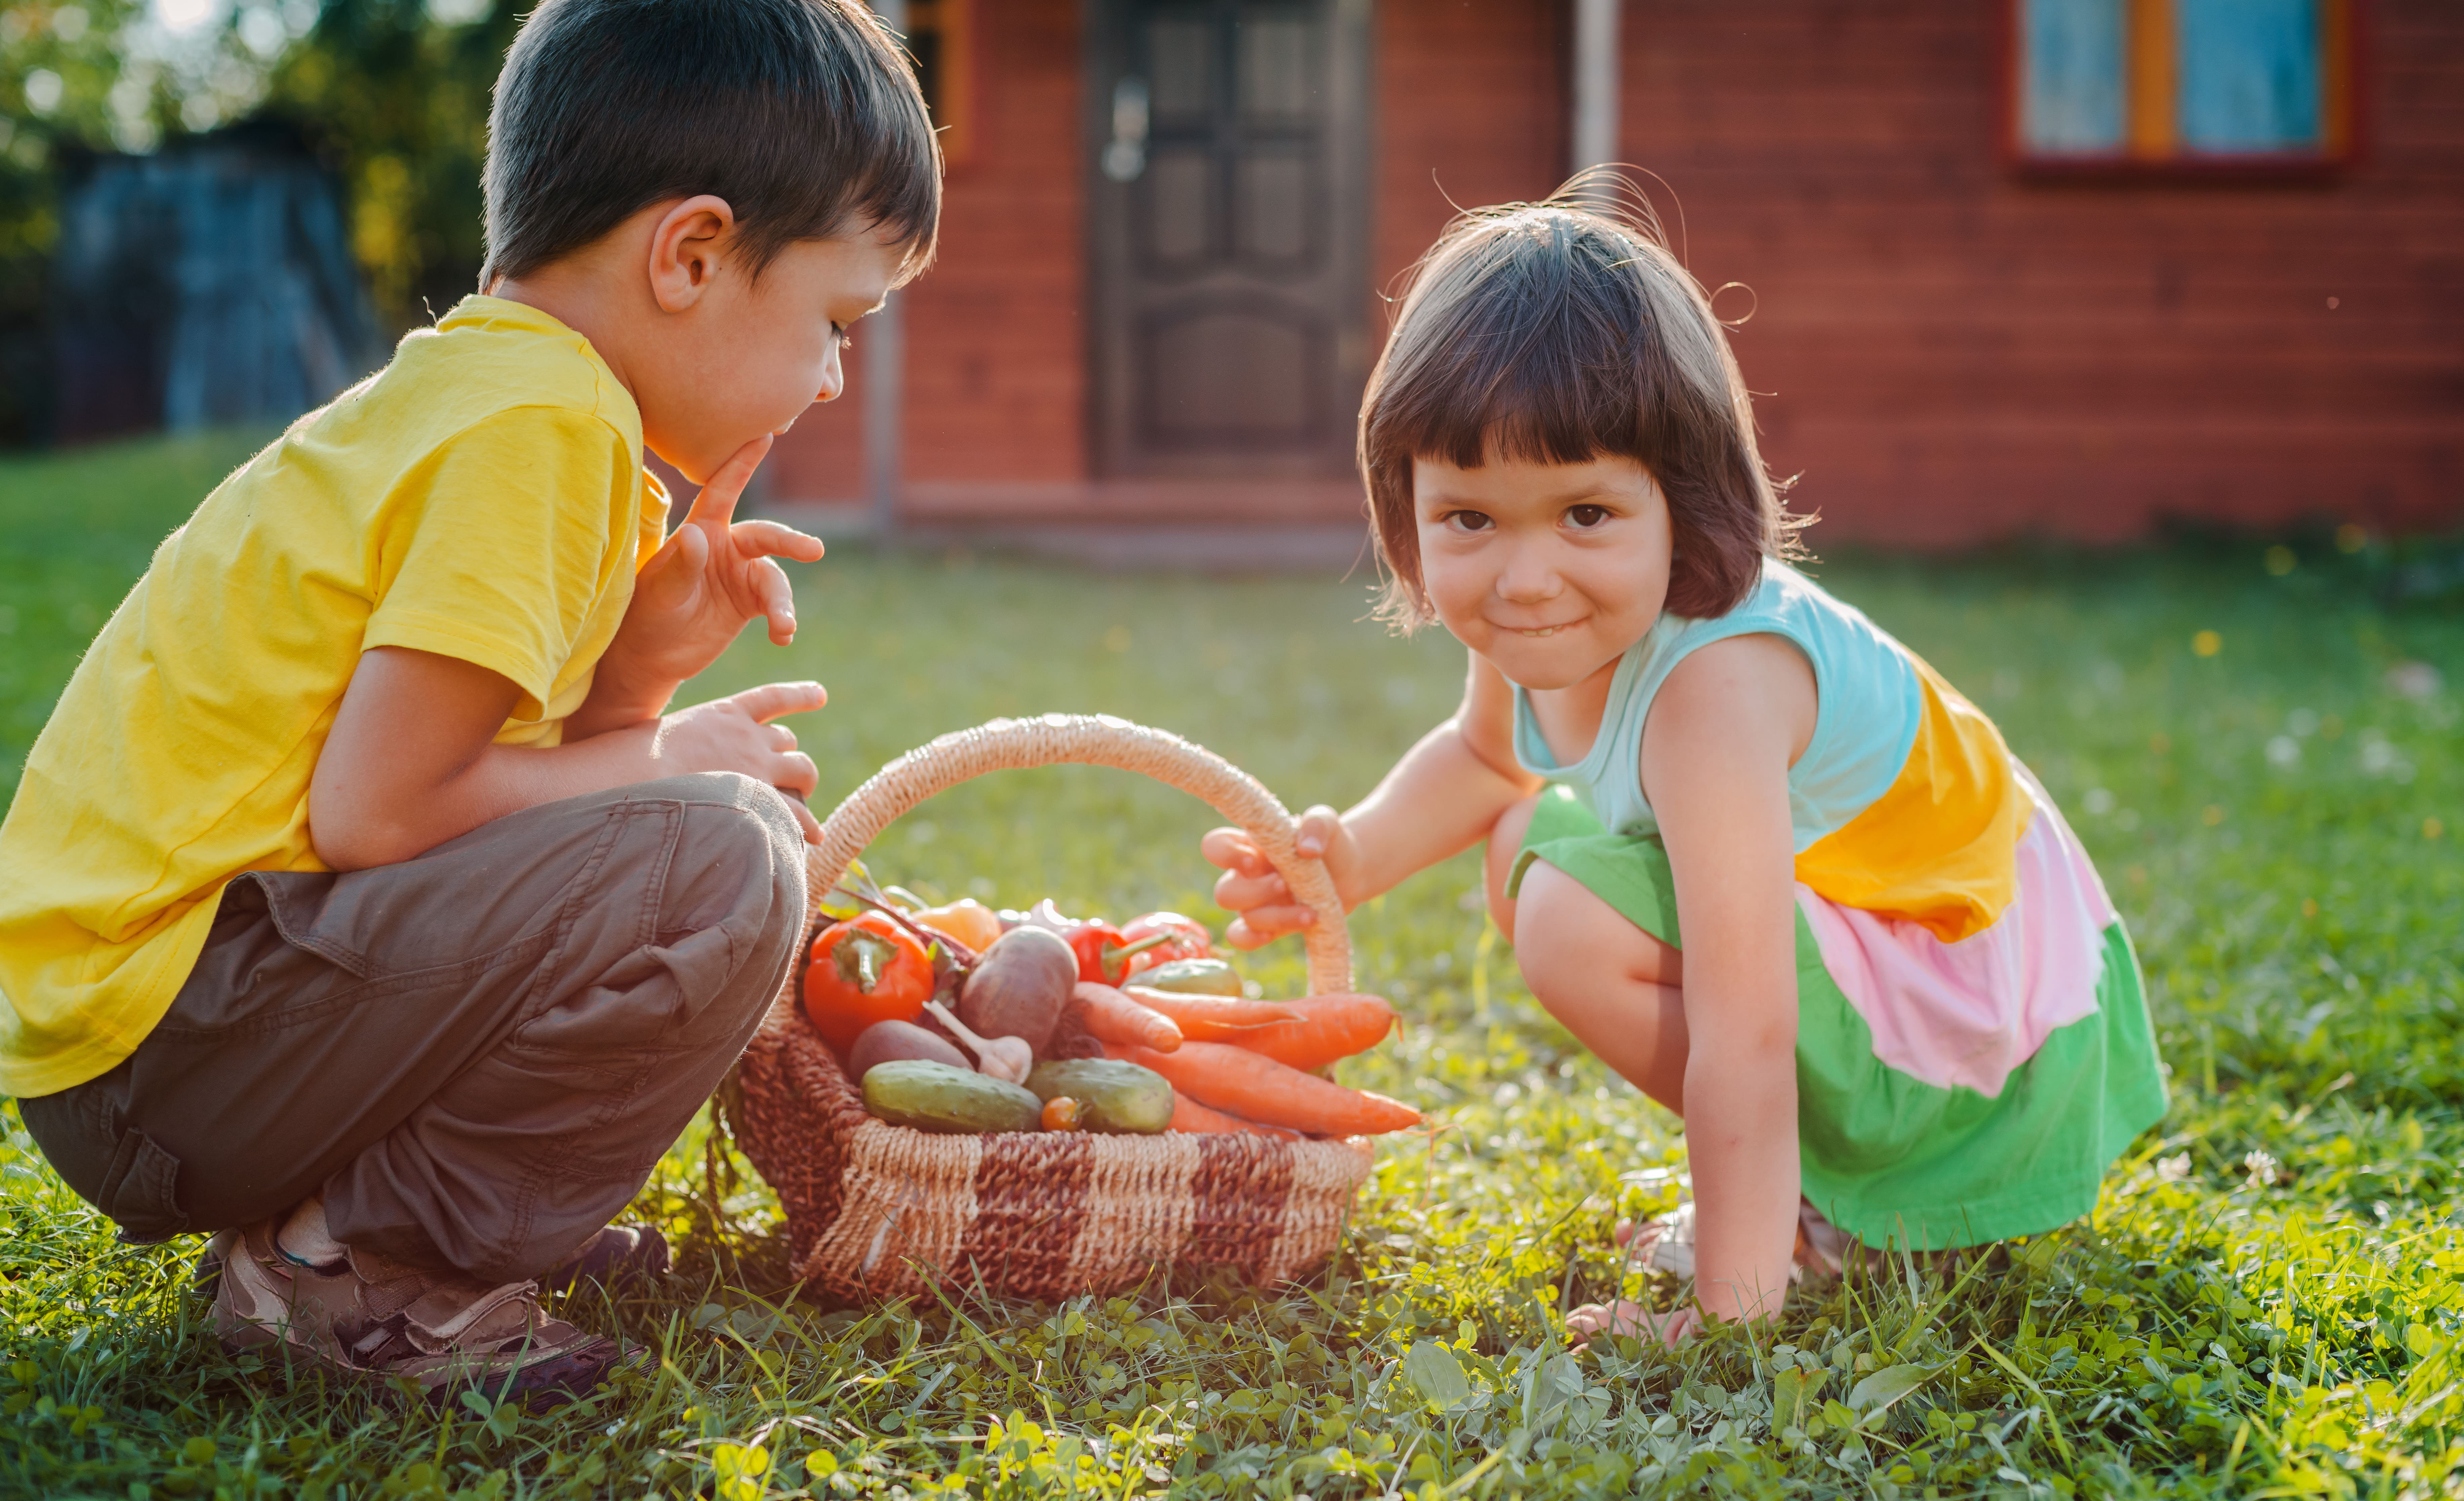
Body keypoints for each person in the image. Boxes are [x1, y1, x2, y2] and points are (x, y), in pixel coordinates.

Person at [0, 0, 938, 1404]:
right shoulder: (543, 430)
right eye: (836, 318)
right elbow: (385, 811)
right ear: (690, 252)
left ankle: (375, 1231)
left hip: (147, 1037)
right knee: (731, 852)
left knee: (700, 837)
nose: (834, 372)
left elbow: (491, 833)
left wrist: (641, 677)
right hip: (172, 1044)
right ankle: (357, 1269)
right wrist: (675, 755)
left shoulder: (496, 398)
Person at [1203, 190, 2167, 1343]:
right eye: (1468, 518)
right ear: (1404, 507)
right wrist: (1349, 854)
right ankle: (1806, 1192)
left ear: (1686, 499)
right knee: (1523, 848)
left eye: (1585, 512)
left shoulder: (1717, 690)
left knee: (1565, 911)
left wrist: (1725, 1305)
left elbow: (1745, 1025)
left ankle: (1817, 1222)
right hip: (1903, 977)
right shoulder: (1547, 630)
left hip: (1981, 1049)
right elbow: (1481, 757)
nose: (1523, 577)